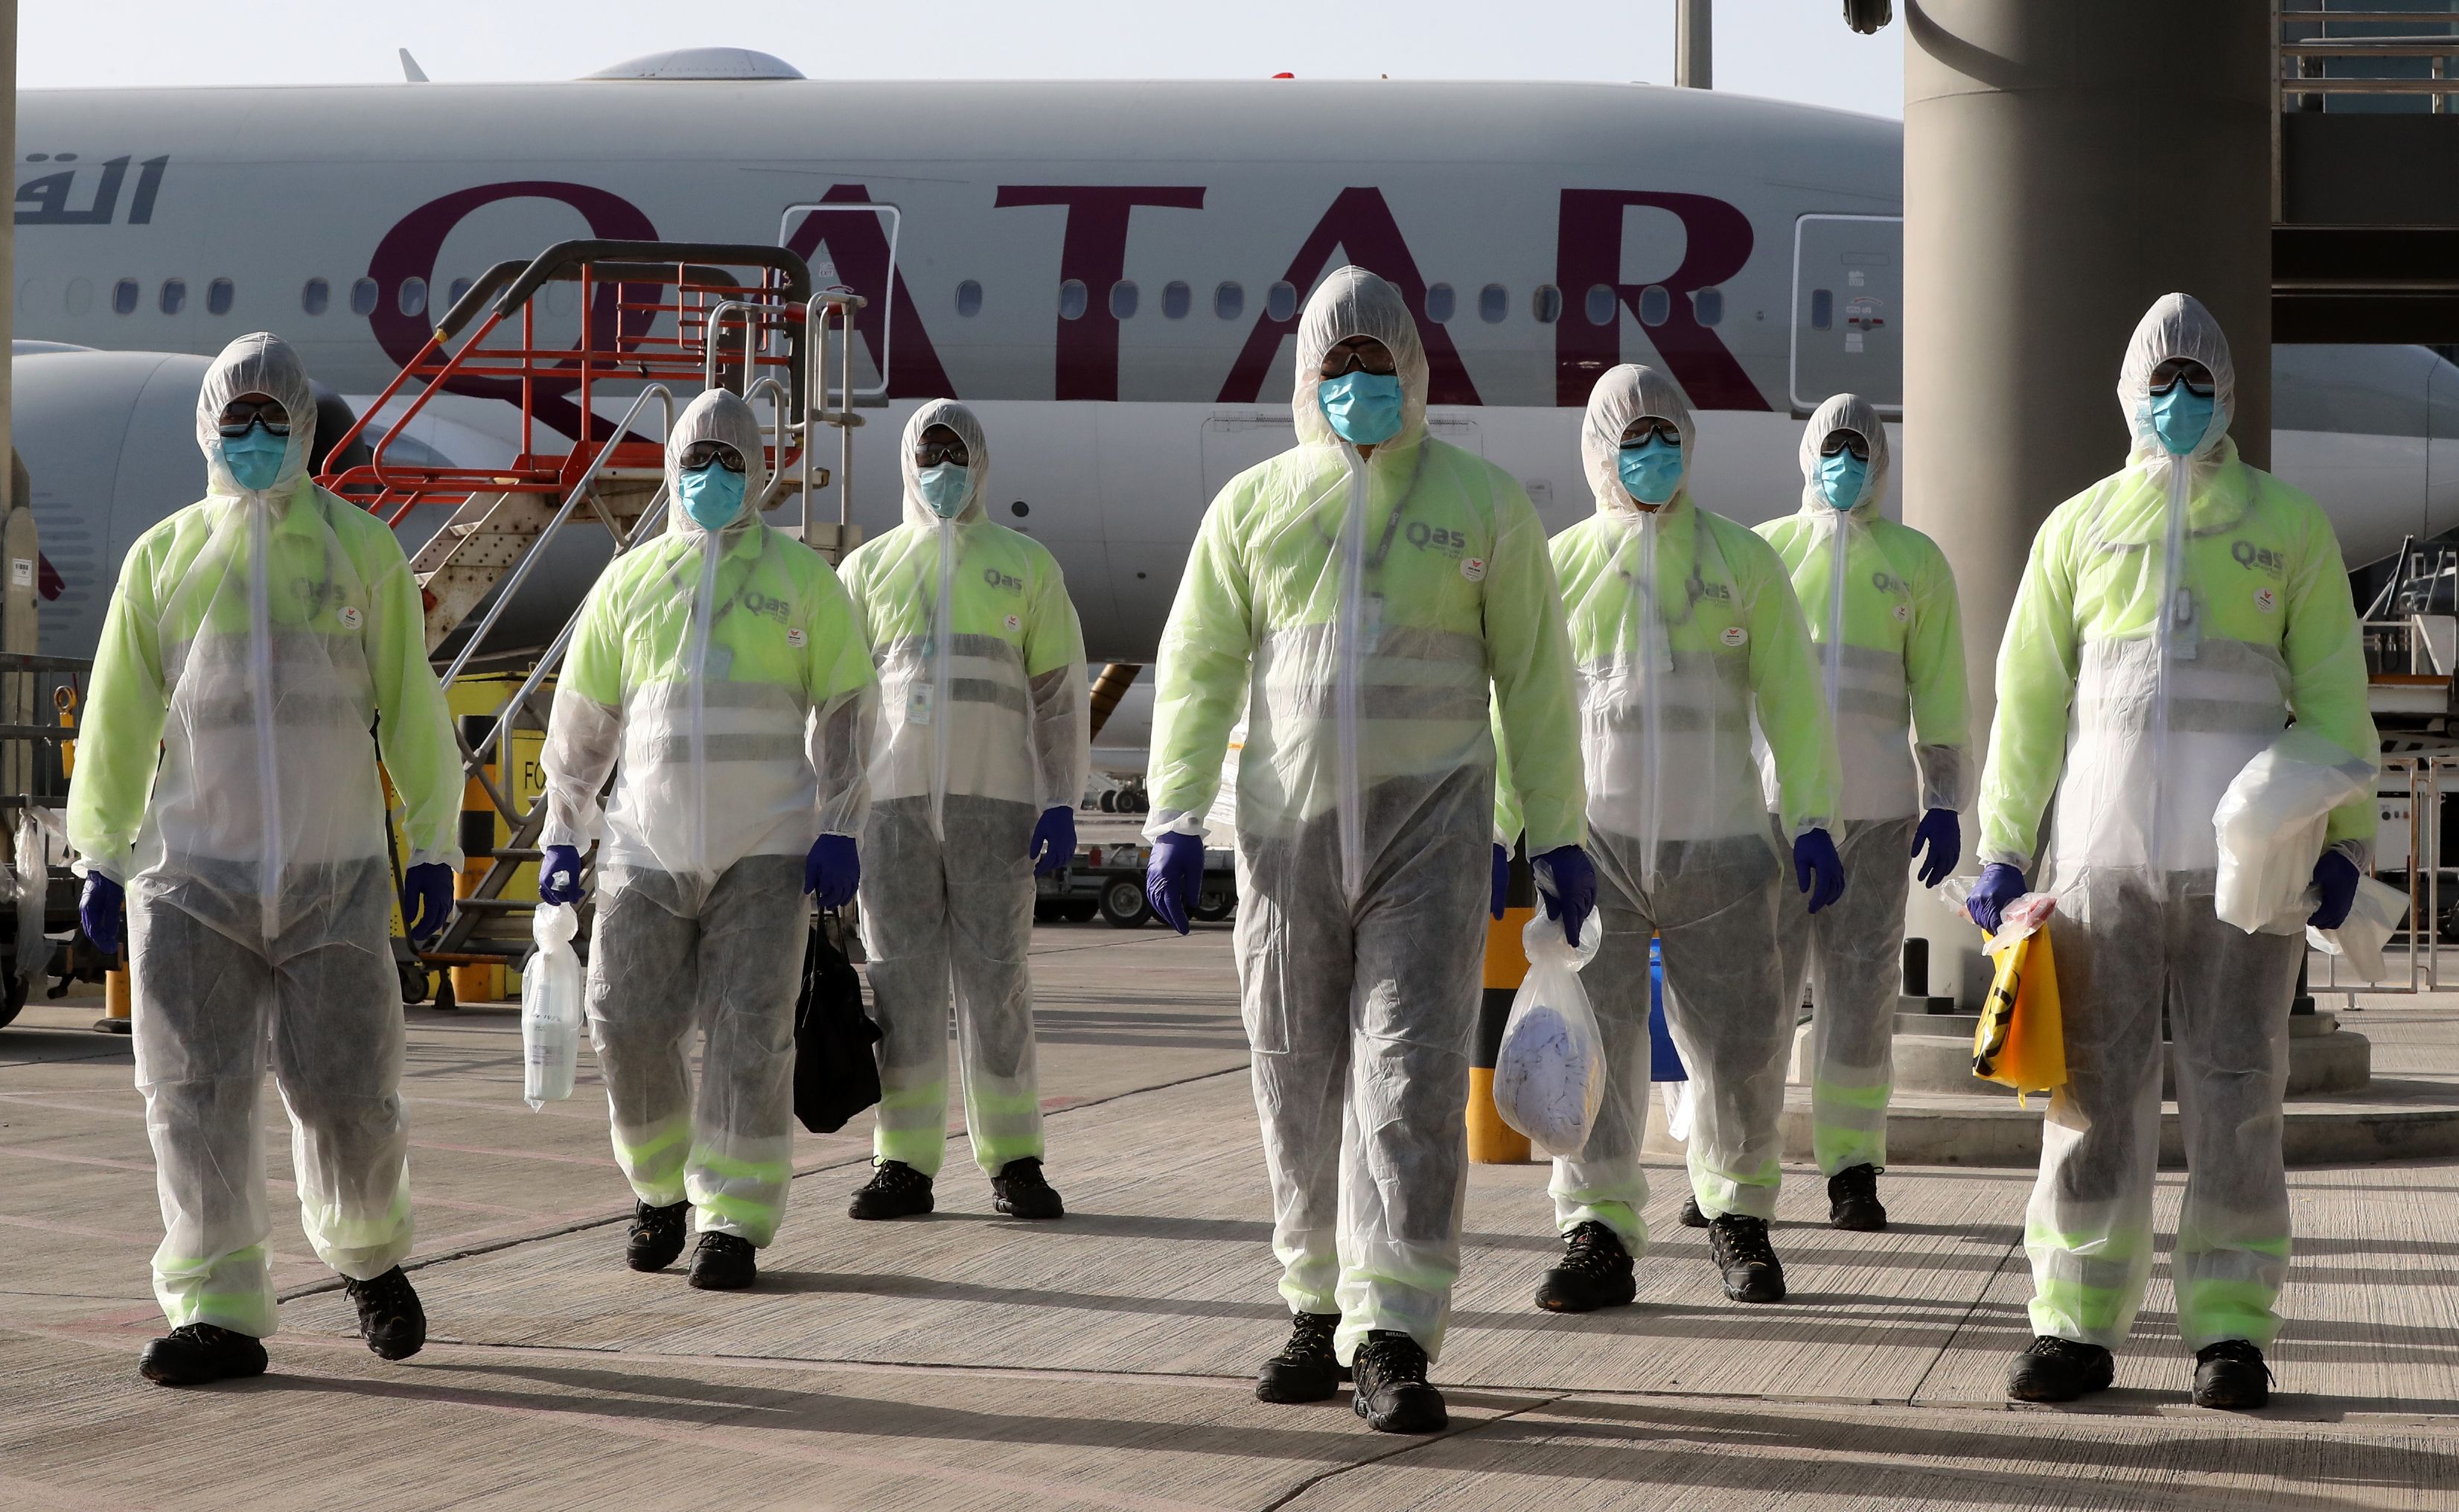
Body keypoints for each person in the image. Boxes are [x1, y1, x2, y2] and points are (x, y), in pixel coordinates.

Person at [1143, 267, 1592, 1435]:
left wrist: (1555, 831)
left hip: (1429, 835)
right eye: (1333, 367)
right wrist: (1172, 813)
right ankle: (1310, 1302)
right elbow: (1193, 668)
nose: (1356, 384)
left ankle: (1389, 1326)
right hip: (1288, 838)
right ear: (1305, 379)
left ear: (1414, 367)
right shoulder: (1253, 507)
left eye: (1373, 363)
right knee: (1293, 1074)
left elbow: (1537, 686)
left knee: (1408, 1077)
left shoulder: (1481, 505)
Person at [1969, 293, 2376, 1411]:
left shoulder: (2284, 526)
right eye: (2163, 379)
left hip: (2244, 874)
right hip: (2099, 865)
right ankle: (2072, 1321)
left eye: (2198, 379)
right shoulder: (2078, 526)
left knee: (2237, 1091)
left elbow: (2335, 695)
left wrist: (2345, 833)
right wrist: (2001, 847)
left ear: (2229, 392)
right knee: (2086, 1095)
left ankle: (2231, 1329)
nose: (2179, 398)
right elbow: (2025, 704)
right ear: (2127, 390)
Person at [68, 332, 465, 1385]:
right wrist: (100, 852)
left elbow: (412, 710)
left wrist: (434, 838)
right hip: (195, 875)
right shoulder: (162, 559)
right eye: (234, 419)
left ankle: (369, 1256)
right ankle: (217, 1308)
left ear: (302, 427)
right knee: (193, 1097)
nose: (252, 437)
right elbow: (118, 716)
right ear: (206, 426)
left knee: (350, 1094)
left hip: (333, 874)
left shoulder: (362, 552)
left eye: (271, 420)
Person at [1513, 364, 1844, 1318]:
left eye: (1667, 436)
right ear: (1600, 451)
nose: (1652, 454)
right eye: (1633, 439)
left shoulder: (1743, 563)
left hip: (1726, 848)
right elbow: (1521, 711)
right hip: (1594, 851)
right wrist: (1513, 825)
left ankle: (1739, 1216)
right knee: (1597, 1045)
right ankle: (1597, 1229)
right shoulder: (1563, 565)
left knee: (1741, 1045)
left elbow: (1794, 704)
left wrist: (1813, 817)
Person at [538, 389, 877, 1293]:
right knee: (625, 1024)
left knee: (750, 1036)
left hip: (764, 845)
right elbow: (583, 723)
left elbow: (849, 714)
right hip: (646, 846)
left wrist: (841, 826)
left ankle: (733, 1219)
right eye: (698, 462)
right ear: (673, 469)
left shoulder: (805, 583)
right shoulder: (634, 582)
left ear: (760, 472)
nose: (713, 478)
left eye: (732, 463)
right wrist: (564, 832)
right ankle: (658, 1191)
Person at [835, 400, 1089, 1222]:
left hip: (997, 810)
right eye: (928, 452)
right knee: (900, 990)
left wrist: (1061, 799)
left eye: (955, 452)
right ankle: (903, 1163)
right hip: (893, 811)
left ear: (980, 461)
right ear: (908, 463)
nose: (941, 468)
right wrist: (834, 816)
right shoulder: (867, 572)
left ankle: (1015, 1160)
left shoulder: (1026, 567)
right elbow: (837, 712)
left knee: (998, 989)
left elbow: (1057, 700)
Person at [1755, 394, 1970, 1232]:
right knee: (1751, 1002)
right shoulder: (1765, 553)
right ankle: (1735, 1167)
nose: (1844, 462)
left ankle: (1851, 1167)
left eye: (1859, 448)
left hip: (1877, 814)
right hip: (1773, 810)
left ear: (1881, 462)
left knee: (1860, 1001)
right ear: (1808, 452)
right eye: (1831, 446)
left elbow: (1941, 691)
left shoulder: (1915, 563)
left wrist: (1945, 798)